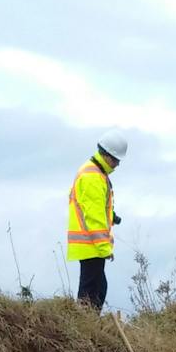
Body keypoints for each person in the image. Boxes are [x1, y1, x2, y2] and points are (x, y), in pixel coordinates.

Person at [67, 129, 126, 310]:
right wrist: (104, 247)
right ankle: (84, 327)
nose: (116, 165)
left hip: (90, 244)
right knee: (91, 292)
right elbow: (94, 216)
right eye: (115, 160)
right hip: (90, 245)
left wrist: (112, 216)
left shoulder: (96, 173)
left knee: (99, 289)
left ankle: (88, 326)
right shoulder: (93, 177)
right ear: (106, 155)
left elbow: (98, 208)